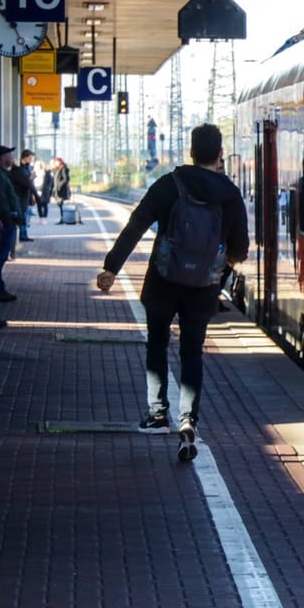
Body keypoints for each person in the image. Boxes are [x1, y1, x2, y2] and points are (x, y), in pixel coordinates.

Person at [96, 123, 248, 451]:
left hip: (163, 281)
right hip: (203, 286)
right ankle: (188, 419)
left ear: (191, 152)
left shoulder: (170, 184)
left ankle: (157, 414)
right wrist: (220, 267)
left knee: (157, 345)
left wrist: (111, 267)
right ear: (220, 154)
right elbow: (240, 250)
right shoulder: (230, 193)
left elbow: (136, 224)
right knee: (192, 351)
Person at [0, 146, 24, 308]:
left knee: (0, 258)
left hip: (7, 222)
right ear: (2, 157)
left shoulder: (4, 175)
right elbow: (2, 201)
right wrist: (8, 218)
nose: (12, 157)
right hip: (6, 223)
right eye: (9, 154)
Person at [10, 150, 38, 242]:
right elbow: (24, 181)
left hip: (26, 196)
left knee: (26, 216)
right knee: (23, 216)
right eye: (30, 158)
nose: (31, 160)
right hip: (21, 197)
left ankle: (24, 234)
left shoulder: (27, 168)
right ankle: (22, 235)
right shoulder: (20, 169)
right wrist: (30, 178)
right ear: (24, 158)